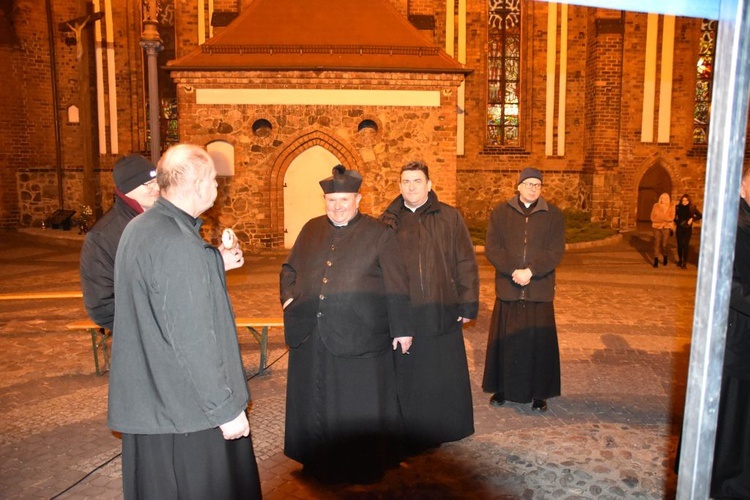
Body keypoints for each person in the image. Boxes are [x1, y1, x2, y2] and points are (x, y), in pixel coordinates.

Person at [108, 144, 260, 499]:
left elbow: (161, 296)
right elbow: (193, 339)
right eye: (212, 179)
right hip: (187, 415)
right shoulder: (178, 243)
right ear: (194, 182)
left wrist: (212, 263)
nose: (217, 187)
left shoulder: (142, 227)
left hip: (155, 406)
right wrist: (227, 411)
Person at [280, 164, 412, 483]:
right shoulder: (311, 229)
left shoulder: (380, 234)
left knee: (356, 403)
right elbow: (289, 270)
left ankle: (359, 464)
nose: (337, 206)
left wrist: (403, 328)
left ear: (358, 199)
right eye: (331, 201)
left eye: (344, 200)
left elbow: (397, 284)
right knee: (315, 400)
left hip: (361, 335)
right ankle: (315, 458)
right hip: (313, 333)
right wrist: (288, 300)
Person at [379, 161, 478, 452]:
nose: (411, 186)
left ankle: (443, 427)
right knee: (408, 374)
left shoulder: (449, 217)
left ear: (429, 184)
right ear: (399, 186)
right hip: (403, 310)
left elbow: (465, 261)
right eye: (406, 181)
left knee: (439, 372)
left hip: (441, 306)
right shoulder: (387, 221)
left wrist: (468, 302)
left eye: (417, 181)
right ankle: (408, 429)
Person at [482, 167, 565, 413]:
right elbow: (493, 247)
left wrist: (531, 271)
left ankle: (539, 393)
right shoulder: (500, 213)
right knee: (506, 342)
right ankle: (502, 388)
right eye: (527, 184)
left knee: (538, 344)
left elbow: (555, 250)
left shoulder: (554, 215)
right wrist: (513, 271)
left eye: (536, 185)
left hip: (539, 289)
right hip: (509, 288)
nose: (532, 188)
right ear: (517, 186)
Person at [79, 154, 159, 330]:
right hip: (141, 334)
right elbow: (101, 304)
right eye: (148, 183)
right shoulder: (103, 236)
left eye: (157, 180)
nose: (157, 187)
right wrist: (147, 329)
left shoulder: (164, 220)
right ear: (127, 189)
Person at [711, 165, 750, 498]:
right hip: (738, 334)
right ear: (742, 185)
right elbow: (727, 282)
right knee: (733, 410)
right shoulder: (733, 225)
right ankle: (727, 481)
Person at [674, 193, 702, 269]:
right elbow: (674, 217)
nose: (684, 202)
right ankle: (680, 260)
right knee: (680, 245)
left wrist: (692, 219)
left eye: (686, 200)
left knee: (685, 245)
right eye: (683, 200)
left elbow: (700, 215)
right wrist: (677, 222)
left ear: (689, 201)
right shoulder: (677, 207)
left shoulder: (692, 208)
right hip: (679, 228)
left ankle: (684, 262)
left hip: (687, 229)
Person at [650, 192, 675, 268]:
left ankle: (665, 256)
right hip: (656, 227)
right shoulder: (656, 206)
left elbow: (671, 217)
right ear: (660, 198)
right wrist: (664, 218)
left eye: (666, 198)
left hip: (666, 227)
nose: (664, 200)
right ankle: (656, 259)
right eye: (662, 198)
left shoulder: (671, 206)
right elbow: (652, 218)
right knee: (657, 242)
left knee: (664, 244)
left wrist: (661, 218)